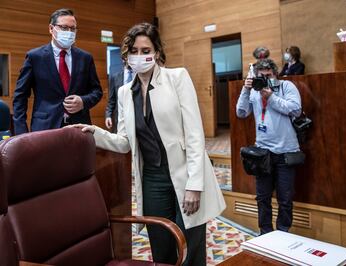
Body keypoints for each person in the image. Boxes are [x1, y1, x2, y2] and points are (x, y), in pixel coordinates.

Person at [71, 22, 226, 266]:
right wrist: (94, 132)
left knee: (190, 248)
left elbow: (195, 135)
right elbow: (124, 142)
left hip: (186, 173)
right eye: (134, 51)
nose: (140, 56)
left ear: (156, 52)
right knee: (160, 243)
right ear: (126, 54)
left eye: (146, 50)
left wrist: (195, 185)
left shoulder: (178, 78)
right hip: (152, 177)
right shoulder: (124, 92)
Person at [236, 58, 302, 234]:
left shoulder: (286, 87)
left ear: (276, 74)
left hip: (285, 152)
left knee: (285, 199)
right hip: (263, 153)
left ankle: (283, 232)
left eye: (269, 76)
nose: (265, 79)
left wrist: (271, 98)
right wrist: (246, 88)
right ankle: (265, 233)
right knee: (263, 198)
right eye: (261, 76)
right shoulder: (255, 90)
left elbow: (295, 109)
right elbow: (241, 112)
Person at [13, 8, 103, 135]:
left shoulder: (85, 58)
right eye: (64, 28)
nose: (69, 32)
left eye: (73, 29)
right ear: (51, 28)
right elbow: (20, 97)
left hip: (79, 126)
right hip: (45, 128)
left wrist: (83, 101)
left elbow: (96, 91)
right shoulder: (35, 57)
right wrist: (21, 133)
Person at [105, 64, 134, 132]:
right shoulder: (115, 77)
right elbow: (111, 100)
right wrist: (108, 116)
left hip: (137, 117)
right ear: (124, 59)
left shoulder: (140, 75)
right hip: (120, 117)